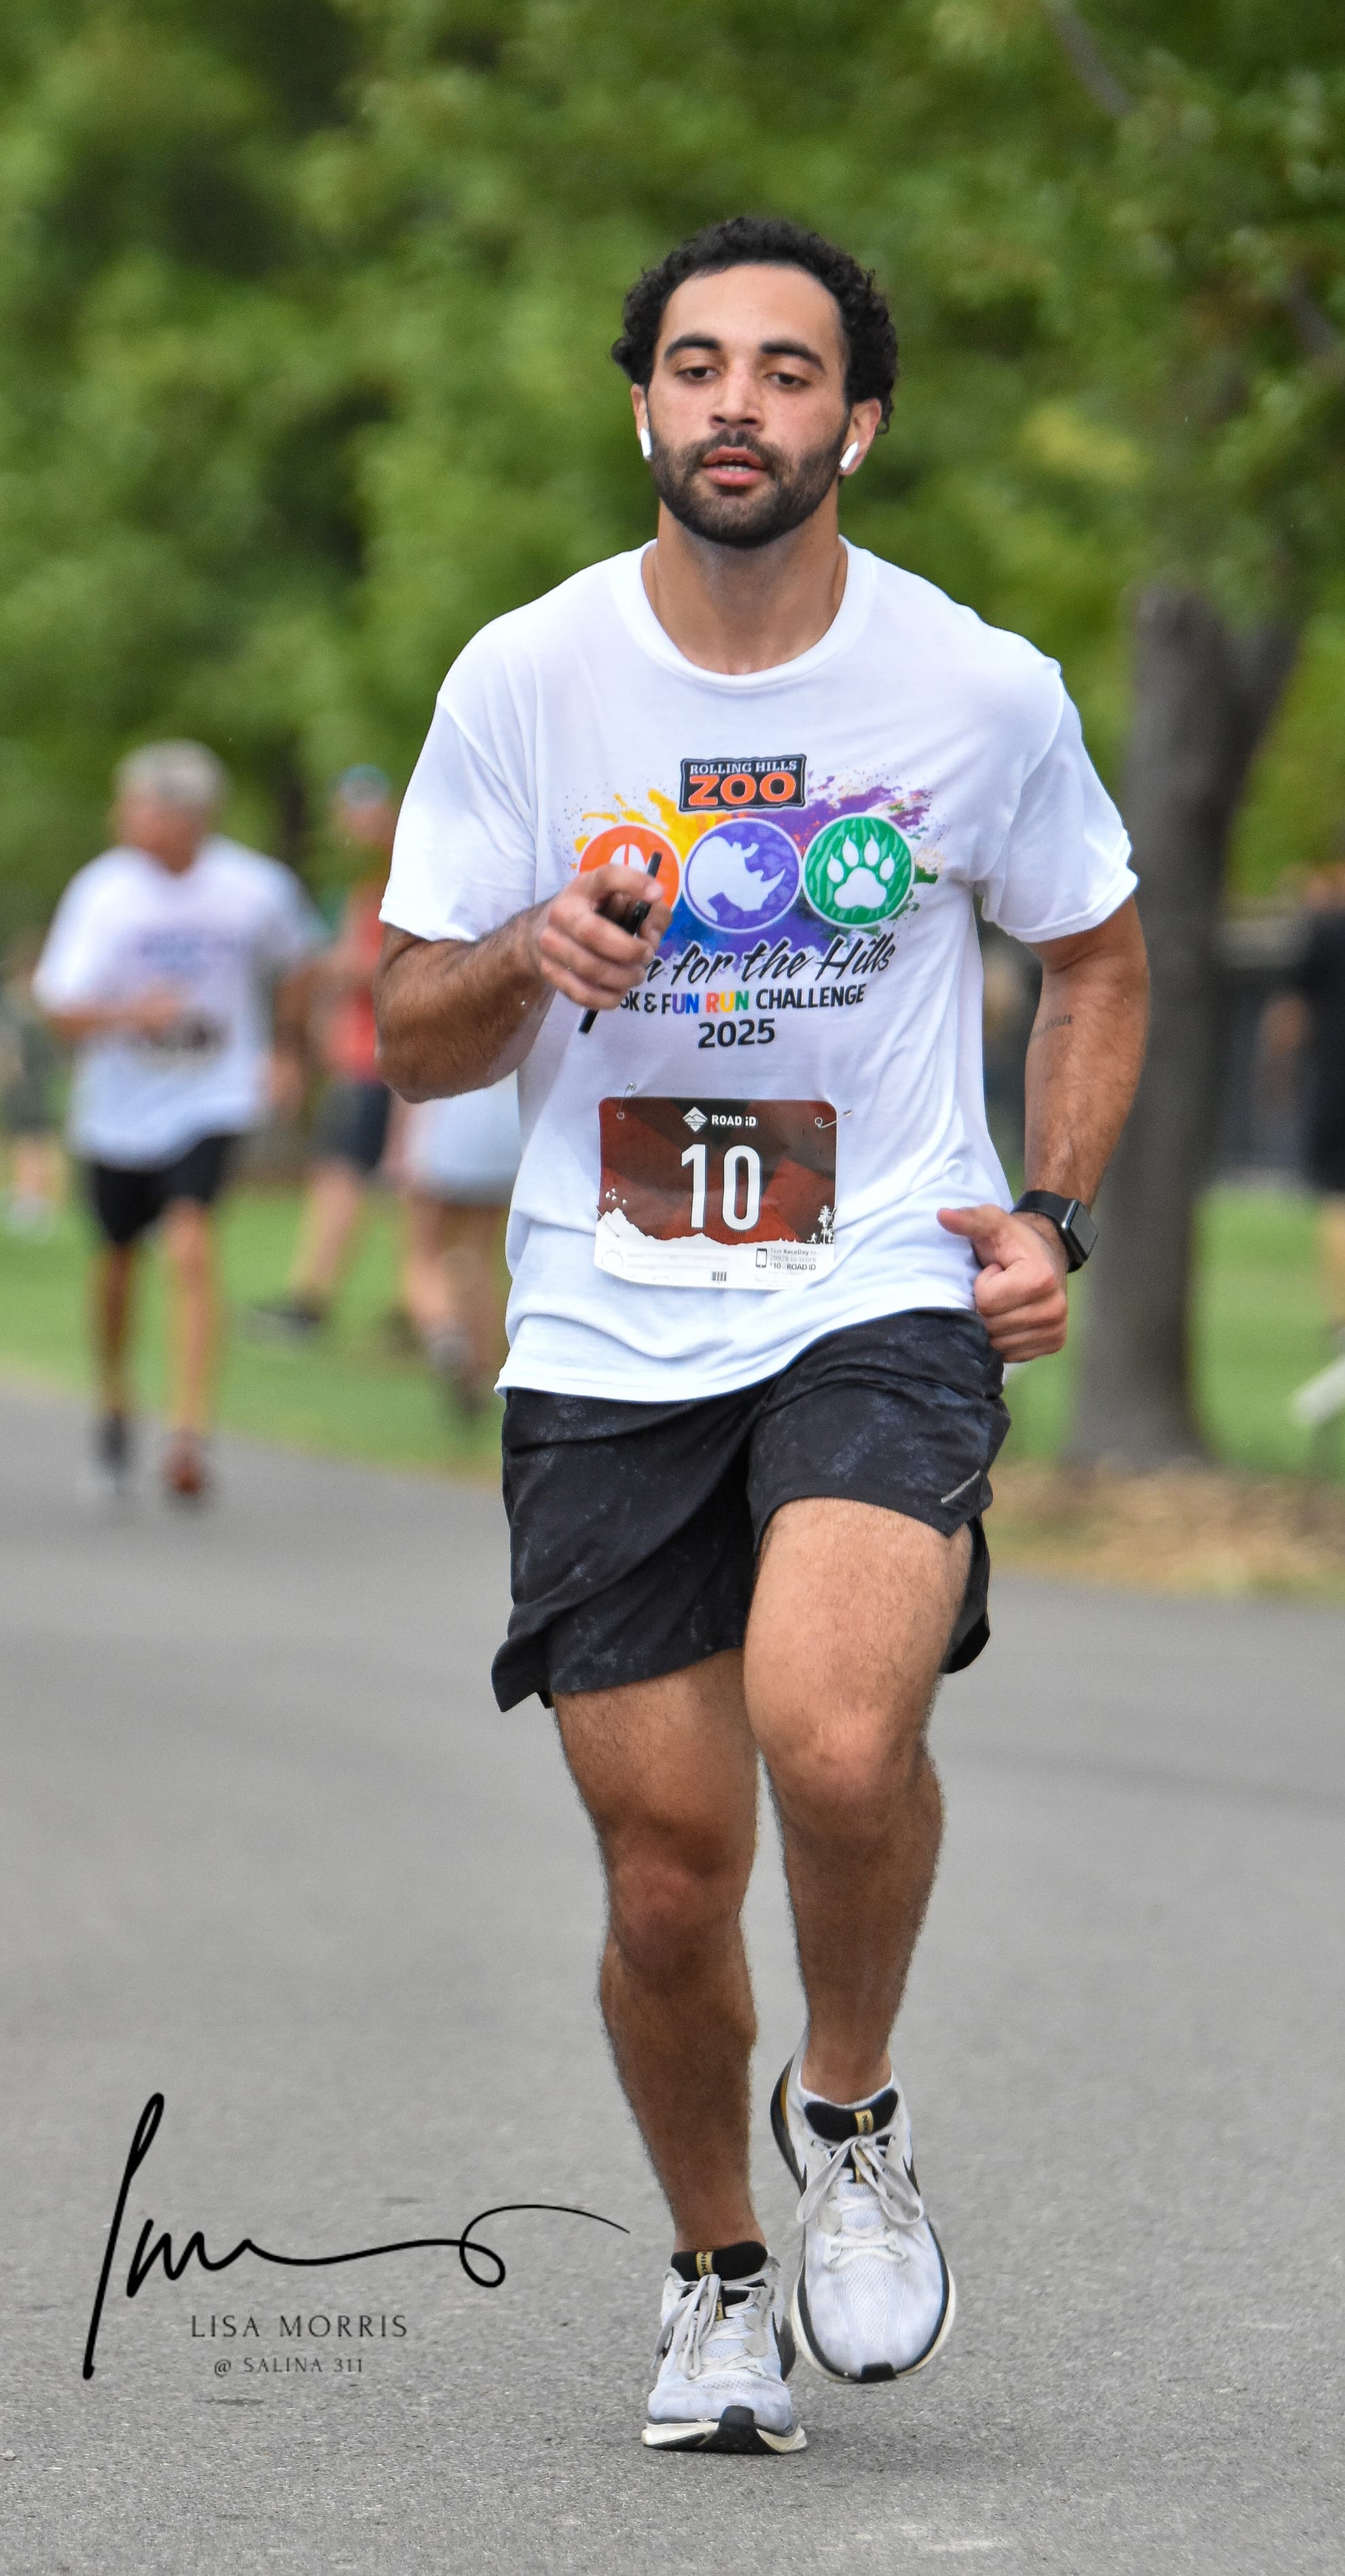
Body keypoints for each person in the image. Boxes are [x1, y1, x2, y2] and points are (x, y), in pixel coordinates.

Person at [375, 215, 1149, 2456]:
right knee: (665, 1872)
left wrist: (1053, 1215)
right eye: (698, 364)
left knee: (835, 1735)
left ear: (858, 424)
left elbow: (1096, 952)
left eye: (788, 371)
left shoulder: (975, 689)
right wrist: (527, 952)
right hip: (607, 1314)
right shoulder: (526, 678)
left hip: (876, 1275)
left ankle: (854, 2108)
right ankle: (720, 2273)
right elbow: (408, 1032)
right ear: (643, 405)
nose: (738, 402)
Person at [34, 741, 321, 1500]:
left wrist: (287, 1048)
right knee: (117, 1262)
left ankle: (189, 1432)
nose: (122, 819)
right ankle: (114, 1402)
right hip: (118, 1109)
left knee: (191, 1242)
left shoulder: (254, 887)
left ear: (187, 816)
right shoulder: (103, 892)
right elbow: (58, 1006)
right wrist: (130, 1014)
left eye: (138, 807)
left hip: (211, 1096)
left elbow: (300, 959)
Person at [247, 766, 400, 1341]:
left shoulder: (398, 879)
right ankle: (408, 1305)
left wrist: (338, 968)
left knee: (343, 1175)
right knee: (363, 1177)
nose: (353, 828)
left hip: (378, 1059)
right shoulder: (356, 887)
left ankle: (312, 1298)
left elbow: (397, 969)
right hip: (359, 1056)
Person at [399, 1076, 520, 1413]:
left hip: (450, 1118)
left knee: (426, 1247)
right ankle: (481, 1370)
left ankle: (444, 1329)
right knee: (479, 1252)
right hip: (506, 1124)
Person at [1292, 833, 1345, 1345]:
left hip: (1340, 1082)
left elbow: (1291, 1012)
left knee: (1341, 1200)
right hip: (1339, 1081)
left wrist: (1279, 1073)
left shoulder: (1330, 929)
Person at [1, 929, 65, 1235]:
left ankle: (35, 1199)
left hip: (34, 1087)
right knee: (24, 1141)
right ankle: (26, 1193)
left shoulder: (36, 1009)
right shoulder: (16, 1006)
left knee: (34, 1141)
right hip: (22, 1087)